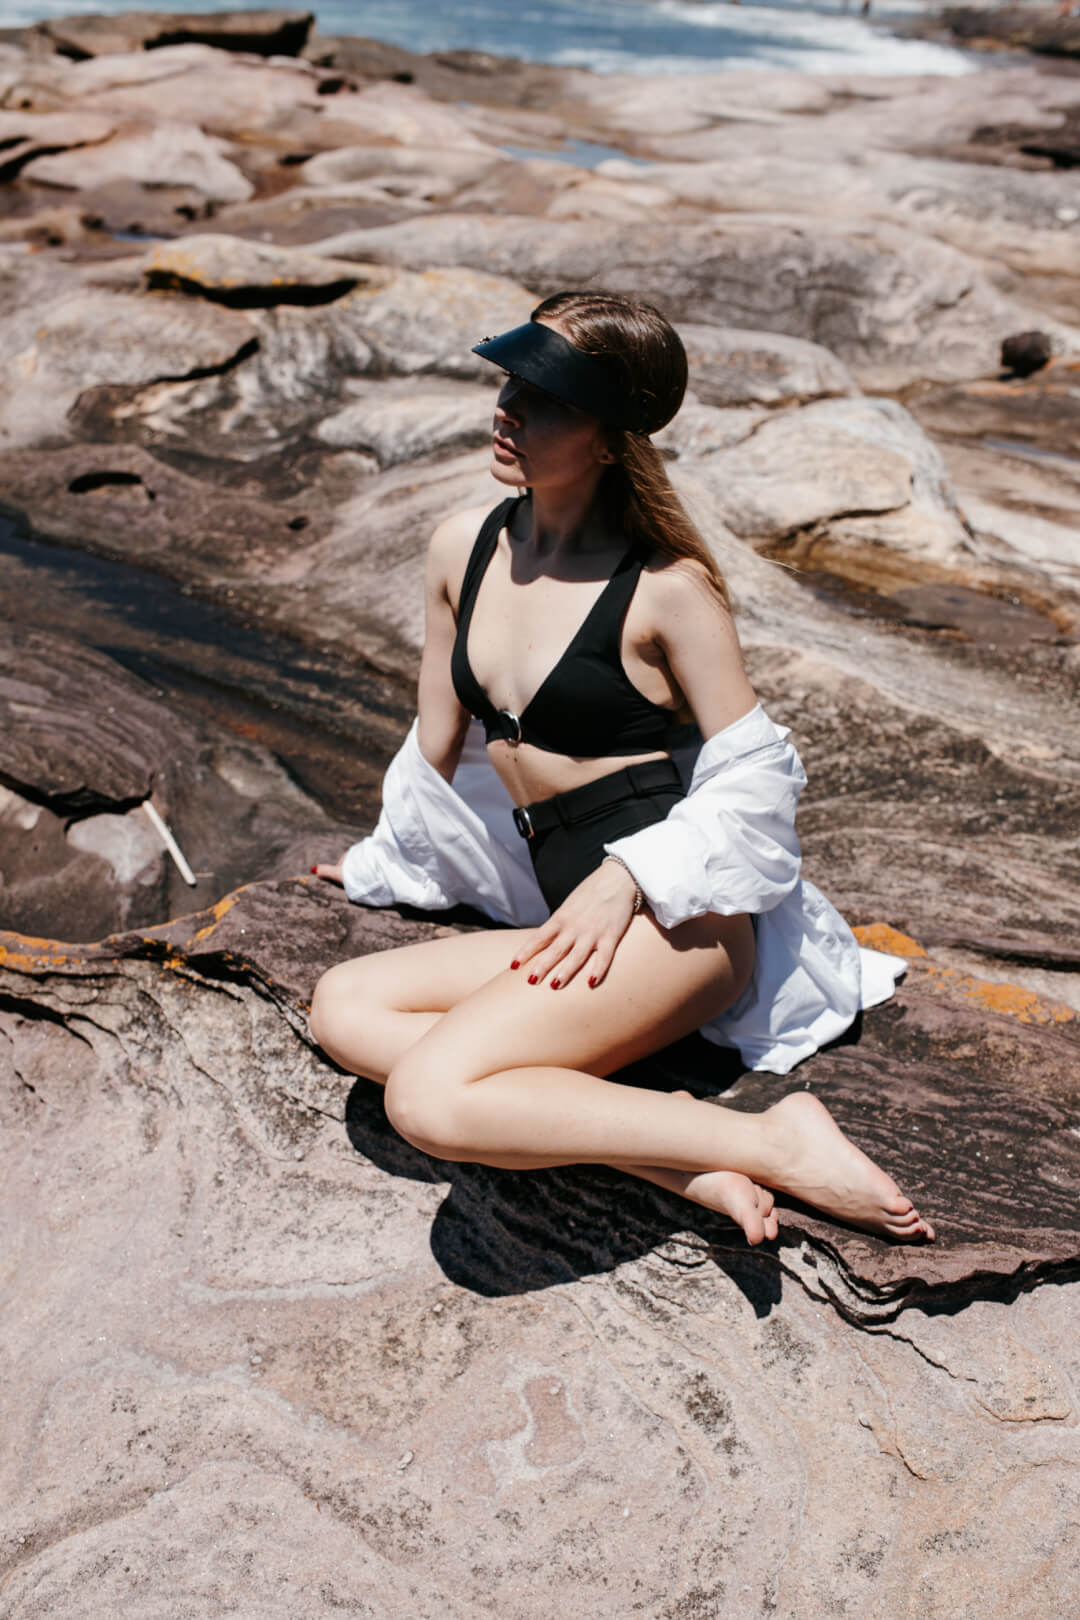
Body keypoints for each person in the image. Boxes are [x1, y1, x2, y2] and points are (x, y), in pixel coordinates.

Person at [309, 291, 933, 1248]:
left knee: (431, 1098)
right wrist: (381, 864)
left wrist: (628, 876)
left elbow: (758, 784)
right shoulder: (461, 548)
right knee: (344, 1006)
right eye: (511, 380)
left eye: (546, 397)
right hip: (567, 922)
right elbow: (437, 742)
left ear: (611, 440)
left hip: (676, 926)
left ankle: (777, 1138)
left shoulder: (668, 591)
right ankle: (690, 1156)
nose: (509, 407)